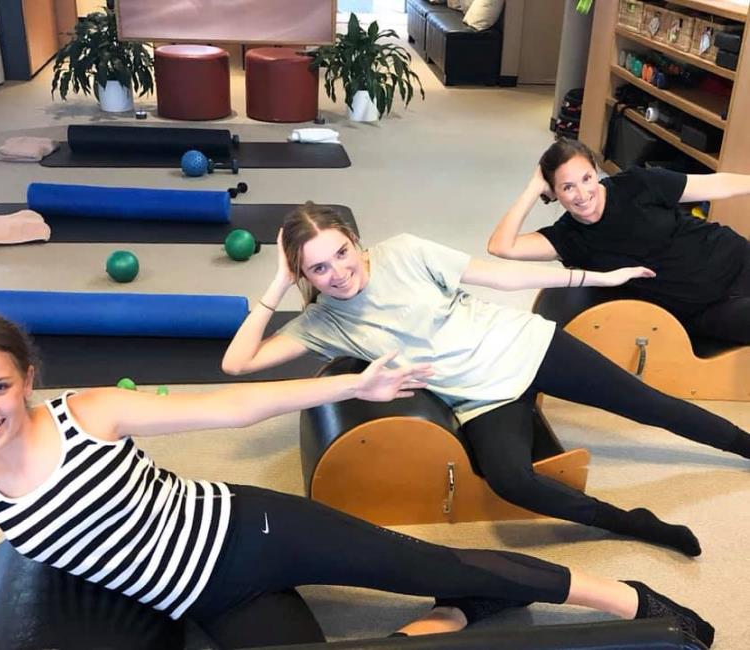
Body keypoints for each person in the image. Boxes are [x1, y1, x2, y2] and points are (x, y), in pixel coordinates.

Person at [0, 312, 715, 648]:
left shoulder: (86, 413)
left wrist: (355, 387)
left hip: (254, 530)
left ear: (27, 378)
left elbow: (233, 407)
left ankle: (629, 597)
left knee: (435, 563)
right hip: (211, 601)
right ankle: (462, 615)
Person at [222, 203, 750, 559]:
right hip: (481, 400)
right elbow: (237, 364)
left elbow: (503, 275)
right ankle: (634, 523)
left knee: (649, 404)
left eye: (341, 253)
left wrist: (597, 278)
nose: (338, 273)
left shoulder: (403, 251)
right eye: (317, 269)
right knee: (510, 481)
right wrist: (277, 283)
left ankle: (743, 445)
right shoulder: (322, 322)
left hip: (528, 347)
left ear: (355, 241)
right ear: (303, 276)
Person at [488, 137, 750, 345]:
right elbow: (501, 246)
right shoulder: (567, 238)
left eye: (587, 178)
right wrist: (533, 187)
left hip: (734, 258)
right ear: (553, 192)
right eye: (567, 187)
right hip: (703, 309)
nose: (582, 194)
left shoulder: (636, 184)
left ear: (595, 171)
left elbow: (717, 185)